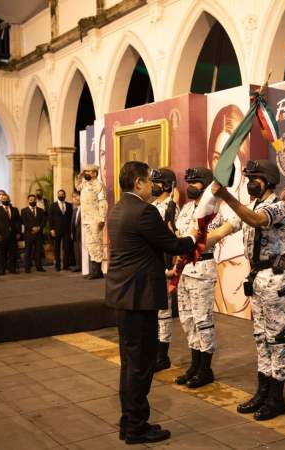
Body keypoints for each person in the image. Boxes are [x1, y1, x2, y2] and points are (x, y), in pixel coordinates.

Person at [106, 161, 197, 444]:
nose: (153, 185)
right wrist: (197, 237)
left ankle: (129, 423)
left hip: (125, 294)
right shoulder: (144, 211)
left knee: (130, 363)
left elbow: (140, 251)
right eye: (148, 180)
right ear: (138, 184)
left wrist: (163, 270)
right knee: (141, 364)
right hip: (139, 297)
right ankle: (136, 426)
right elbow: (172, 244)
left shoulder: (118, 208)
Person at [206, 160, 285, 421]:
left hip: (274, 279)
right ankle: (262, 391)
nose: (251, 182)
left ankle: (276, 398)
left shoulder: (278, 207)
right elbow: (225, 229)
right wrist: (191, 243)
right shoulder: (251, 205)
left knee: (276, 341)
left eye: (255, 177)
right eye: (249, 177)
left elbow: (255, 220)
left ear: (267, 180)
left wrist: (226, 195)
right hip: (256, 279)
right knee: (260, 338)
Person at [173, 167, 224, 388]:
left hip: (202, 268)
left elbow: (203, 238)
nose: (190, 187)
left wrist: (185, 240)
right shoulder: (185, 209)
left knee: (203, 320)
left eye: (195, 183)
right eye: (188, 183)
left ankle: (205, 368)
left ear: (205, 184)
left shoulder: (214, 211)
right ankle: (194, 364)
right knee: (187, 319)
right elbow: (178, 234)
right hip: (184, 269)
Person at [149, 167, 179, 372]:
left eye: (157, 182)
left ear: (167, 185)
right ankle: (154, 352)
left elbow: (173, 238)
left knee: (164, 313)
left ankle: (162, 356)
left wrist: (173, 267)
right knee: (153, 312)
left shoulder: (171, 208)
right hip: (151, 264)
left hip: (165, 264)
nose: (153, 186)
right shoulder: (151, 206)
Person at [75, 165, 108, 279]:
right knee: (90, 244)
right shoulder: (84, 184)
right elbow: (77, 187)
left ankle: (97, 271)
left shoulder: (98, 185)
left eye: (88, 172)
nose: (86, 173)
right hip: (86, 219)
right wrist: (79, 176)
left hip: (95, 219)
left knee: (95, 244)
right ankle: (95, 271)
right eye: (85, 172)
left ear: (94, 173)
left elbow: (103, 202)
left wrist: (102, 218)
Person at [0, 194, 21, 275]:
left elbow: (18, 222)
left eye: (7, 198)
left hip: (13, 235)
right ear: (1, 200)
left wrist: (18, 232)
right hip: (2, 235)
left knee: (13, 253)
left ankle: (13, 269)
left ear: (9, 199)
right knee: (2, 254)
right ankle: (2, 270)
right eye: (4, 199)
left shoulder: (15, 209)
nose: (5, 200)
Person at [49, 189, 74, 271]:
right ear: (57, 195)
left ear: (65, 195)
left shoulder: (69, 205)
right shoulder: (53, 205)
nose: (61, 196)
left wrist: (71, 230)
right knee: (57, 249)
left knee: (66, 248)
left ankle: (66, 265)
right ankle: (57, 266)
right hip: (56, 230)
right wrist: (52, 229)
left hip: (66, 230)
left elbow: (71, 218)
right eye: (59, 194)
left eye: (62, 194)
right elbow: (50, 218)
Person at [21, 194, 46, 273]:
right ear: (28, 201)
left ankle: (39, 266)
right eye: (31, 200)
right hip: (29, 234)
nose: (32, 201)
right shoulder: (24, 210)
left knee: (38, 251)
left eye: (34, 200)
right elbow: (24, 221)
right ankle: (27, 268)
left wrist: (39, 228)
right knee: (28, 251)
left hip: (39, 234)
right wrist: (32, 228)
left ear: (36, 200)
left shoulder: (41, 210)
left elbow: (44, 221)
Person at [71, 192, 83, 272]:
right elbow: (72, 222)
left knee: (81, 249)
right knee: (76, 250)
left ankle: (83, 266)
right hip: (75, 233)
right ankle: (78, 265)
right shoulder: (75, 209)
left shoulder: (83, 209)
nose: (75, 200)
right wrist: (71, 232)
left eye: (77, 198)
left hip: (82, 233)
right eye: (74, 198)